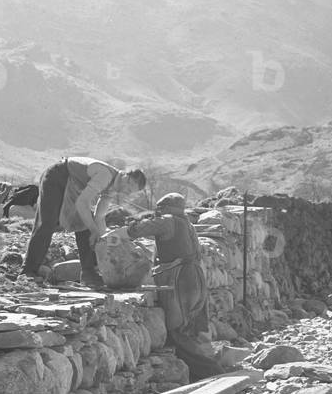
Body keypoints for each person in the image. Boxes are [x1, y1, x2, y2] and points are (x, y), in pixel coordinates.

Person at [127, 192, 224, 380]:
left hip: (180, 280)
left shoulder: (167, 220)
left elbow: (135, 231)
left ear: (163, 208)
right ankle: (202, 372)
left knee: (179, 331)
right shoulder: (186, 223)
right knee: (192, 327)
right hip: (196, 277)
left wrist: (136, 220)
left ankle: (212, 374)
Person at [23, 157, 146, 287]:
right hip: (57, 176)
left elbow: (99, 217)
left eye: (131, 192)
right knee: (47, 223)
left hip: (72, 185)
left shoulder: (112, 188)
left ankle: (89, 274)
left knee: (85, 227)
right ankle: (28, 271)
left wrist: (104, 242)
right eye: (129, 187)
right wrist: (94, 231)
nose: (128, 192)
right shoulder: (105, 175)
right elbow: (82, 203)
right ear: (126, 177)